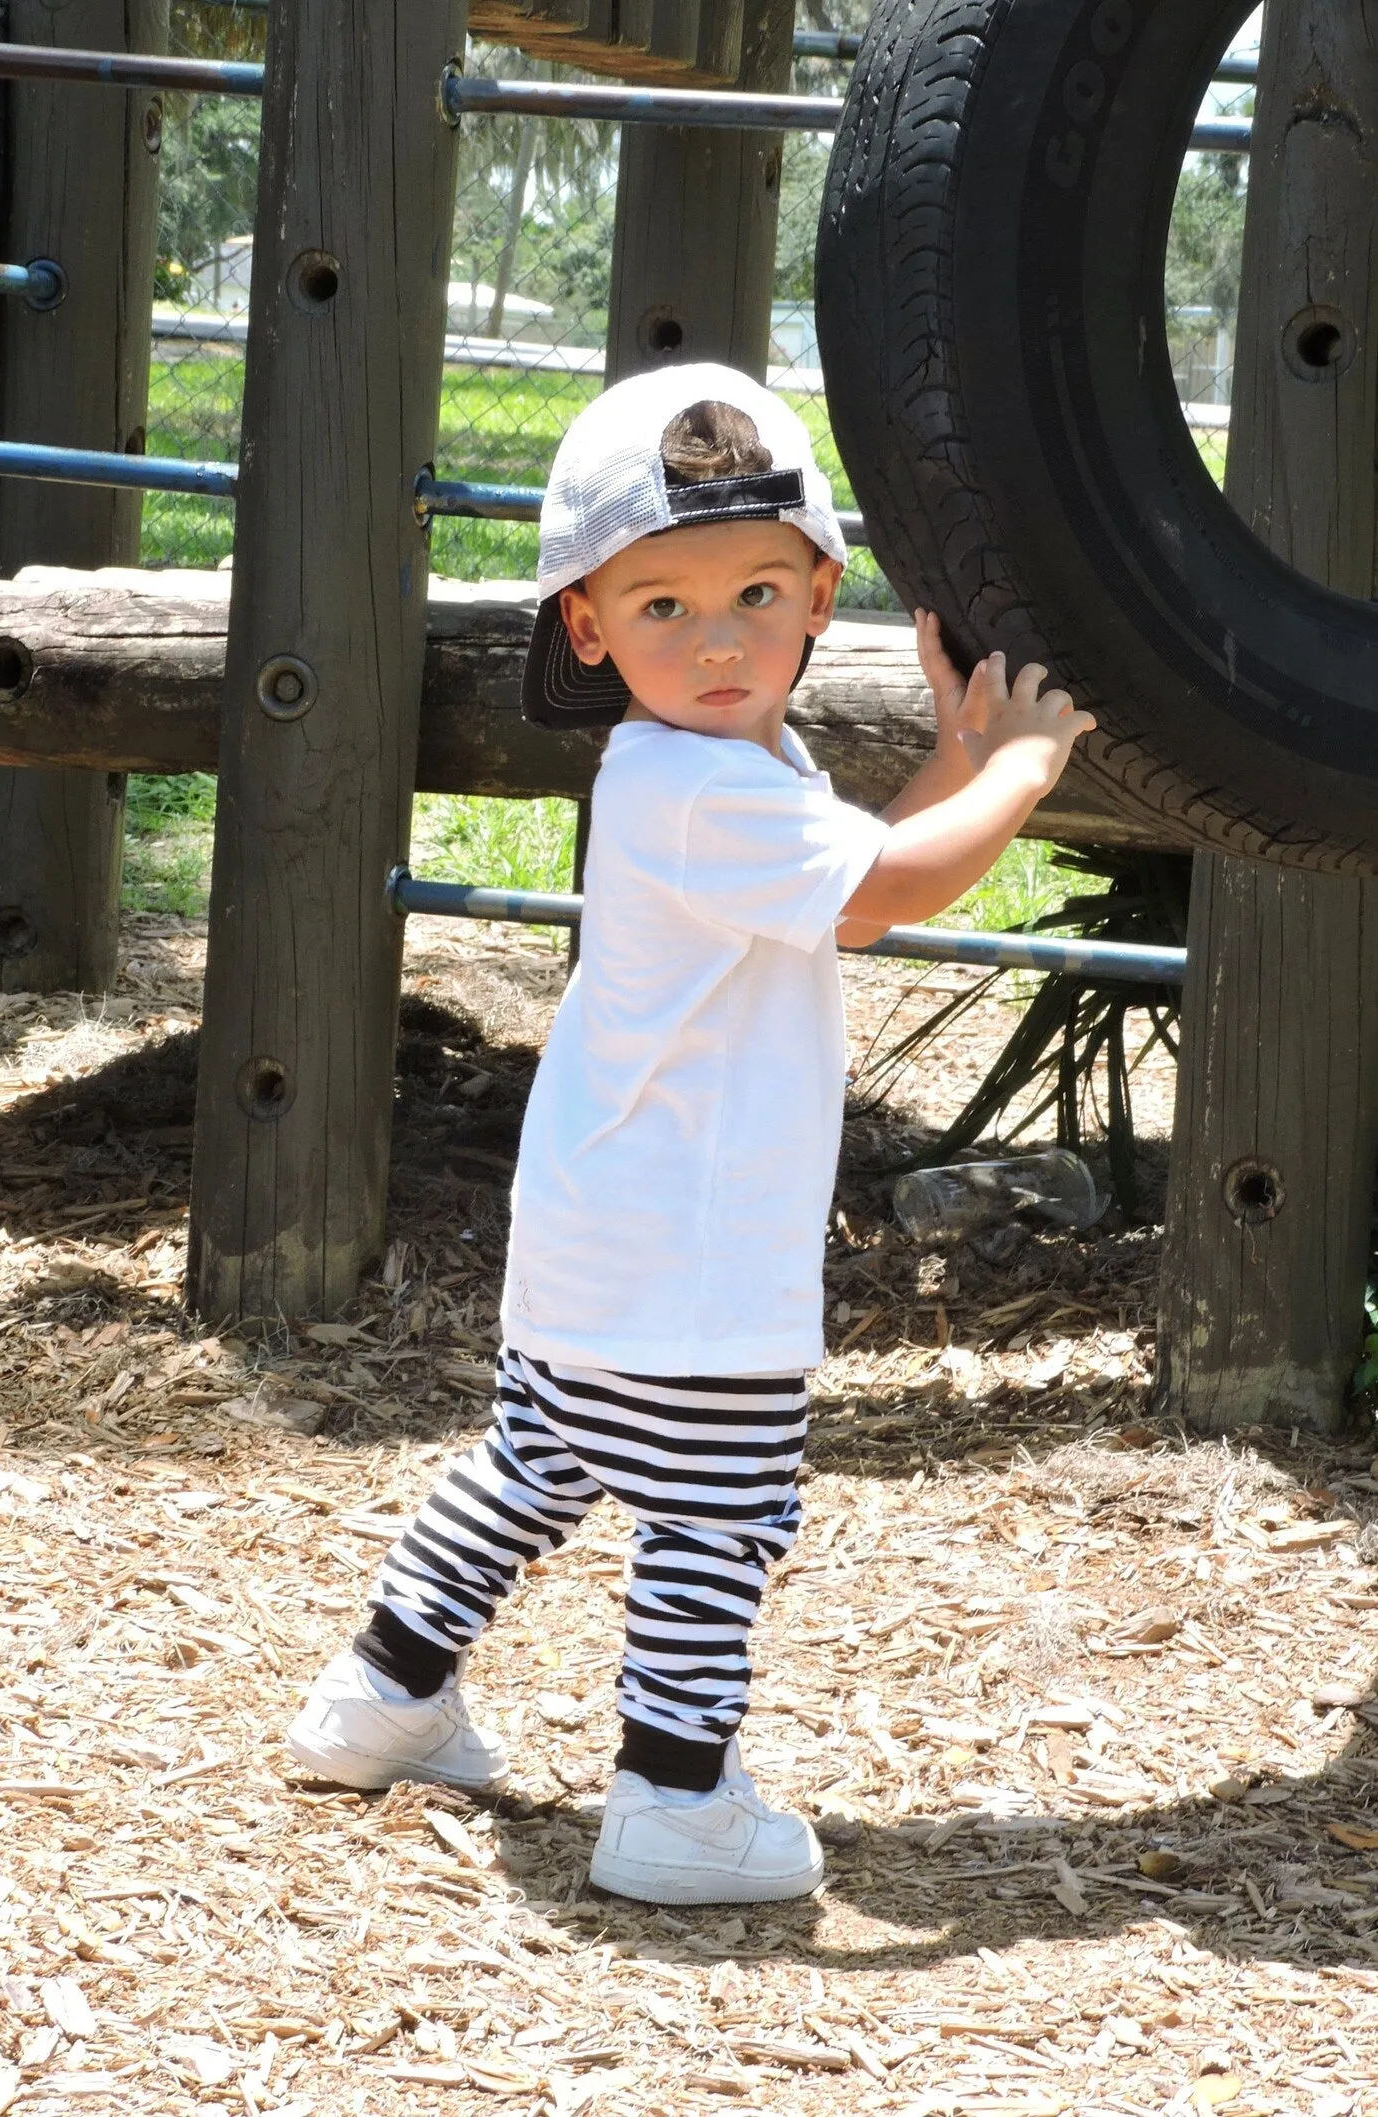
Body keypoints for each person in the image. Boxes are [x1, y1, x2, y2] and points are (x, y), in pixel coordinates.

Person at [286, 363, 1095, 1906]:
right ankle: (673, 1798)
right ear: (586, 627)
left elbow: (845, 903)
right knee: (721, 1522)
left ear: (817, 593)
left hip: (602, 1228)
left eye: (752, 593)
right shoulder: (692, 786)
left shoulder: (715, 769)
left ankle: (379, 1699)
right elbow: (906, 892)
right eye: (660, 607)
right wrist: (1022, 767)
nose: (716, 639)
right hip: (696, 1259)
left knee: (531, 1462)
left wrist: (944, 761)